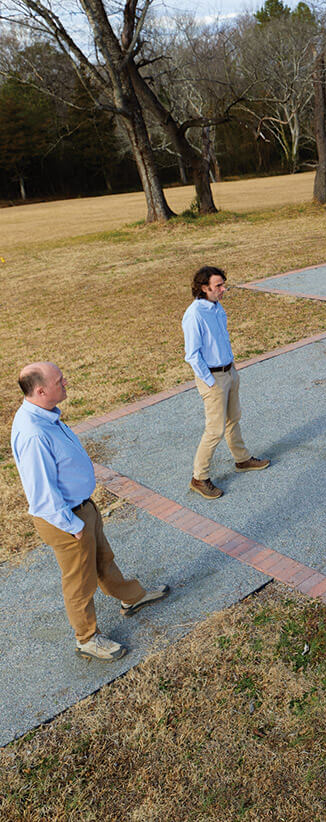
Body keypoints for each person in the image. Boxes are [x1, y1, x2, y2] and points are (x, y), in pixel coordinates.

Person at [11, 363, 170, 662]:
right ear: (41, 390)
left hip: (82, 510)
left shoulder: (46, 416)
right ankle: (87, 638)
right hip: (67, 519)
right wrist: (73, 524)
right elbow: (41, 494)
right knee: (79, 583)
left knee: (102, 560)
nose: (65, 382)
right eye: (59, 380)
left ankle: (132, 597)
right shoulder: (33, 433)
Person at [182, 265, 269, 499]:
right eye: (218, 285)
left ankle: (242, 459)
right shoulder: (194, 314)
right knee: (214, 430)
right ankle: (199, 478)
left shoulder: (217, 308)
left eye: (223, 284)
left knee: (234, 418)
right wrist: (210, 381)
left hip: (229, 371)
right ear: (204, 287)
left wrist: (232, 369)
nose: (223, 289)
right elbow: (192, 354)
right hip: (213, 378)